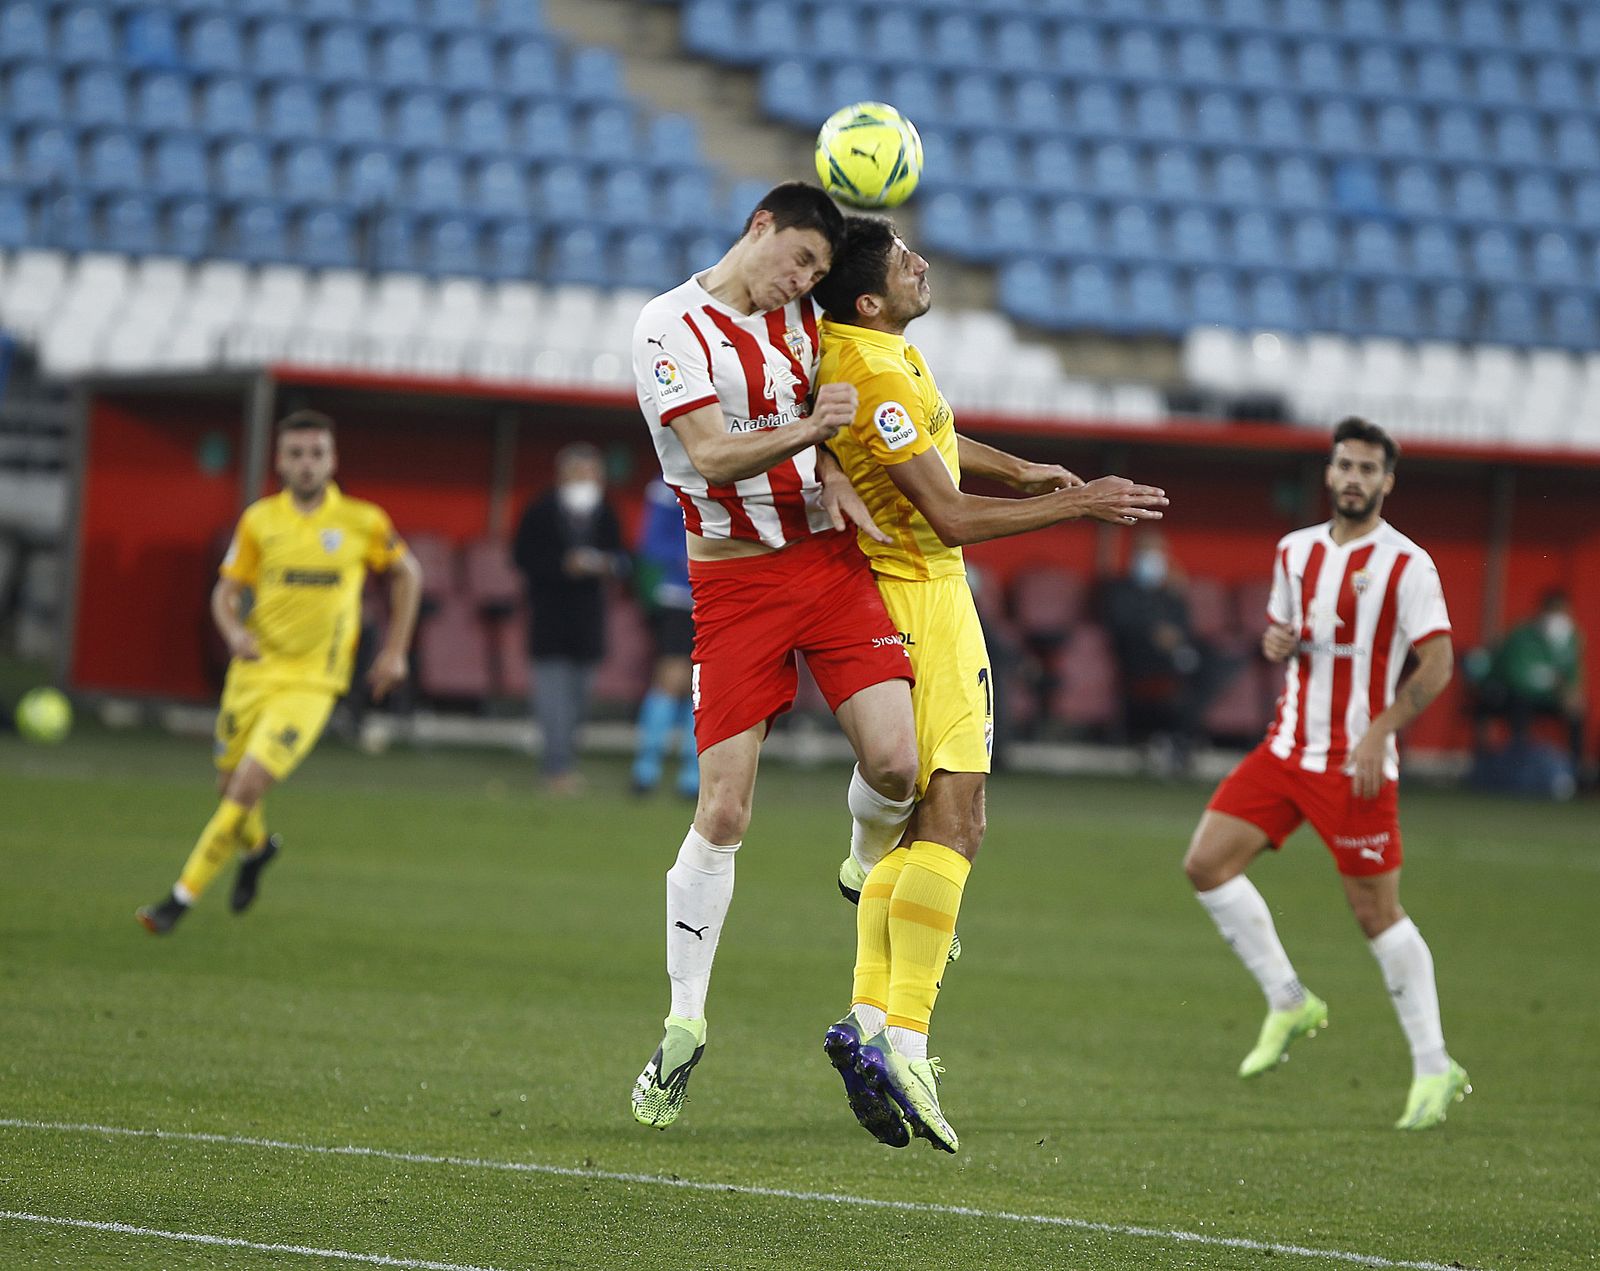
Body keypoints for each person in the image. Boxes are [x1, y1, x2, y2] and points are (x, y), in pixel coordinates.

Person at [811, 216, 1169, 1151]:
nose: (920, 262)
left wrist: (1019, 466)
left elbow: (936, 445)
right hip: (919, 598)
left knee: (923, 823)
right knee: (956, 822)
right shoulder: (876, 370)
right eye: (901, 259)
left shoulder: (876, 349)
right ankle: (911, 1040)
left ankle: (870, 1023)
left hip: (899, 593)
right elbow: (948, 513)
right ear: (869, 297)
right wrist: (1075, 501)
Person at [628, 183, 923, 1131]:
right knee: (724, 804)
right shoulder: (668, 326)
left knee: (898, 763)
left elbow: (820, 425)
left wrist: (834, 473)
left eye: (818, 274)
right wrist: (816, 431)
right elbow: (713, 456)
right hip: (736, 585)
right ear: (760, 229)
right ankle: (682, 1023)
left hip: (826, 564)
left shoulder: (799, 318)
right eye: (797, 260)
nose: (803, 282)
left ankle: (859, 859)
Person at [1182, 417, 1470, 1130]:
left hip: (1357, 764)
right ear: (1330, 471)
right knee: (1206, 863)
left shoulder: (1409, 564)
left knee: (1376, 913)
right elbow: (1285, 637)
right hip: (1286, 750)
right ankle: (1289, 998)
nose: (1353, 478)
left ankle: (1436, 1065)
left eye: (1368, 469)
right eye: (1345, 464)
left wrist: (1380, 730)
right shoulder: (1295, 550)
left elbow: (1437, 663)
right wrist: (1275, 640)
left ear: (1387, 481)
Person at [136, 411, 422, 934]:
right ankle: (258, 851)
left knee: (247, 785)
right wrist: (232, 632)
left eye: (316, 453)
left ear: (332, 460)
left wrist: (396, 650)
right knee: (230, 788)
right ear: (279, 461)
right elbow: (224, 593)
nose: (307, 464)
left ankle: (179, 899)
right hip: (253, 672)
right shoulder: (259, 521)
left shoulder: (362, 521)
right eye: (296, 454)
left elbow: (408, 574)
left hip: (313, 684)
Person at [511, 443, 627, 795]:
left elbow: (624, 559)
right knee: (552, 700)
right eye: (581, 473)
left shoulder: (606, 512)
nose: (588, 480)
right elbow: (522, 557)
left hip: (588, 621)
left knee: (578, 701)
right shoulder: (541, 510)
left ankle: (564, 760)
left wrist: (605, 565)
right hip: (549, 619)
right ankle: (556, 767)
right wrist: (562, 566)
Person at [1101, 530, 1236, 774]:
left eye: (1157, 552)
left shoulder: (1171, 593)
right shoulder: (1120, 589)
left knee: (1214, 666)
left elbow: (1185, 628)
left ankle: (1178, 739)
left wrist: (1176, 595)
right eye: (1146, 552)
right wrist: (1154, 633)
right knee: (1184, 678)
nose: (1152, 559)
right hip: (1140, 656)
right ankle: (1177, 740)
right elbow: (1120, 624)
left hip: (1177, 655)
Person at [630, 478, 699, 799]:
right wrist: (695, 557)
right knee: (672, 677)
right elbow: (652, 543)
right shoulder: (666, 486)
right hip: (678, 597)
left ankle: (693, 774)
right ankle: (646, 768)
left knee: (705, 684)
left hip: (721, 599)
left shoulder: (735, 474)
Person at [1473, 589, 1588, 781]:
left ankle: (1575, 773)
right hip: (1515, 697)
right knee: (1520, 704)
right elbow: (1516, 677)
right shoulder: (1522, 635)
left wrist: (1571, 695)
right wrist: (1554, 683)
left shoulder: (1571, 639)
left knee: (1577, 712)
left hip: (1549, 699)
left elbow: (1574, 677)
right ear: (1542, 612)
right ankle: (1518, 768)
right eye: (1553, 612)